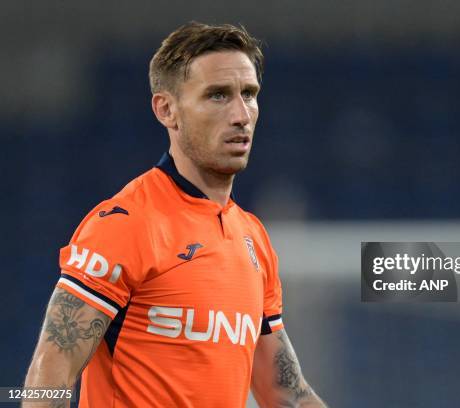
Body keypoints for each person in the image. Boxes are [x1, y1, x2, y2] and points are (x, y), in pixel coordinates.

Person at [24, 22, 326, 408]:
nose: (241, 114)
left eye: (249, 94)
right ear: (166, 109)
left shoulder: (252, 238)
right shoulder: (126, 223)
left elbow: (287, 393)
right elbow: (52, 369)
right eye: (217, 96)